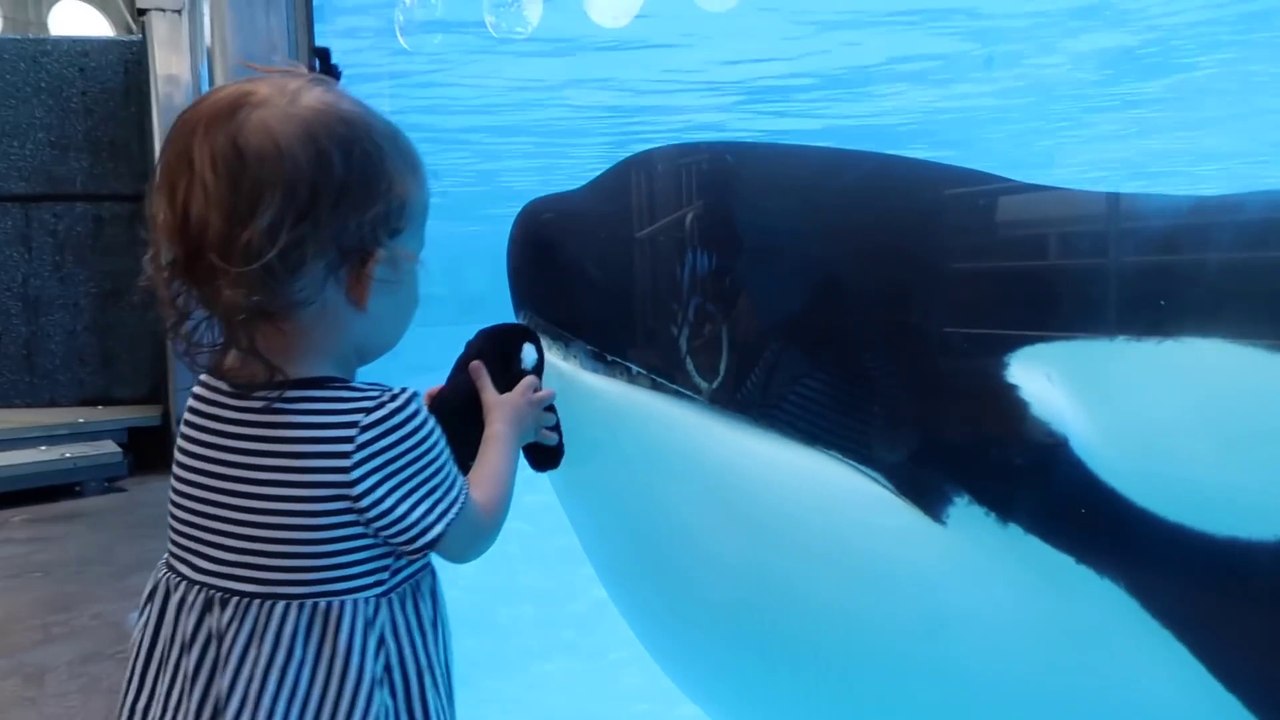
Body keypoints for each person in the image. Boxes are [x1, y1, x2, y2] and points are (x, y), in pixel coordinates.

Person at [117, 68, 558, 720]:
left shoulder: (209, 400)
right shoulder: (379, 427)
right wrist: (503, 430)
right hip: (333, 691)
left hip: (218, 687)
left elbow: (311, 499)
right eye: (417, 255)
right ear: (371, 276)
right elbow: (468, 534)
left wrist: (426, 430)